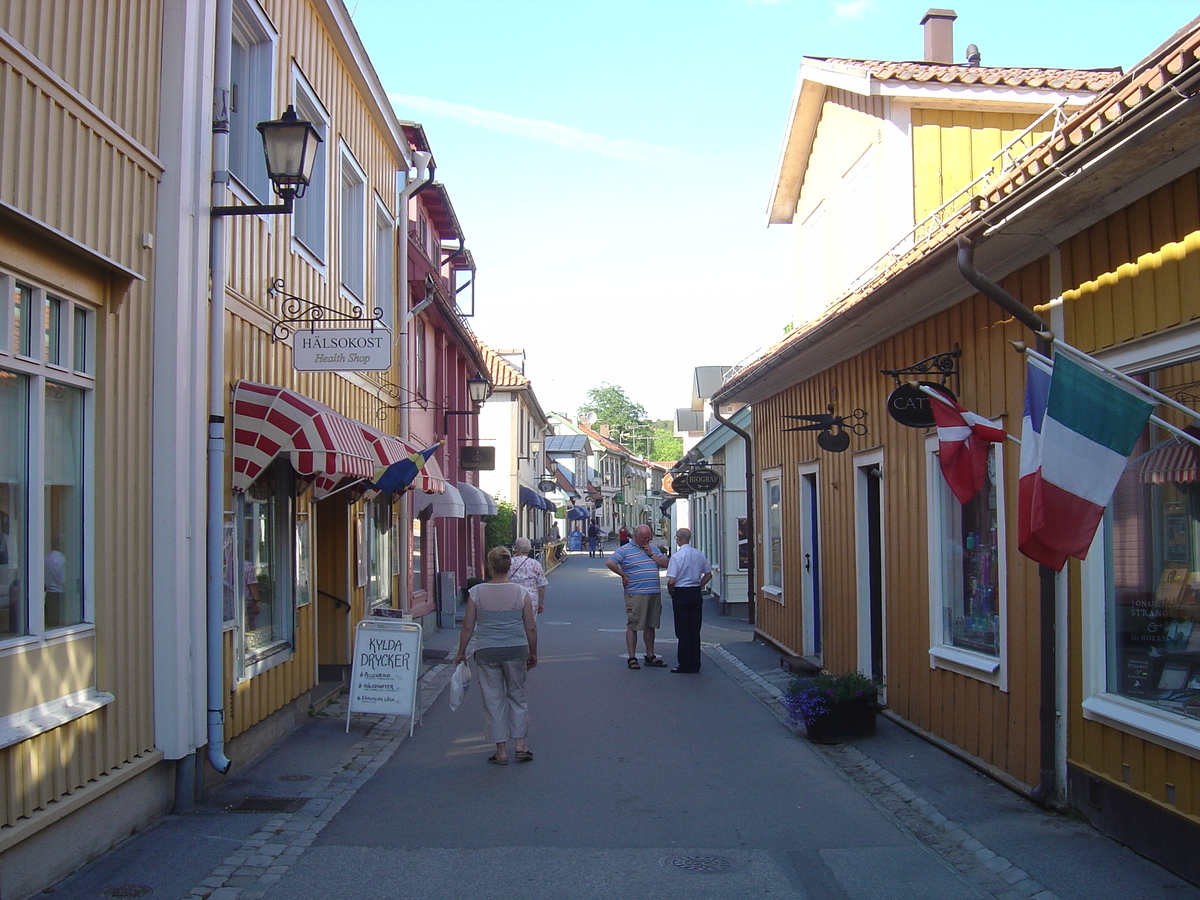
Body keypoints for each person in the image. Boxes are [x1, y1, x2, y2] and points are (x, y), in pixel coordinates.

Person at [454, 546, 538, 765]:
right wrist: (533, 652)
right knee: (517, 695)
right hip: (516, 649)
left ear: (489, 566)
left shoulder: (477, 593)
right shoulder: (521, 592)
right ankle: (520, 744)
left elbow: (467, 627)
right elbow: (530, 627)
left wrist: (461, 652)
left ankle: (500, 750)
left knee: (493, 699)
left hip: (486, 650)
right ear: (509, 566)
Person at [605, 524, 668, 669]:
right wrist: (623, 574)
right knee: (634, 624)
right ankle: (632, 657)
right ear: (636, 536)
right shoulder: (625, 549)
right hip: (636, 592)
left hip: (653, 592)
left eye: (649, 537)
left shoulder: (653, 549)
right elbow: (610, 562)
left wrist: (651, 554)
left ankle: (650, 655)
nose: (647, 540)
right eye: (644, 538)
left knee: (650, 624)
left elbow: (666, 564)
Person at [665, 527, 712, 673]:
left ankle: (684, 663)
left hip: (681, 592)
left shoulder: (677, 557)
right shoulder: (699, 554)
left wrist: (671, 593)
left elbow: (671, 581)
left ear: (679, 538)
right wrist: (699, 585)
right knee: (694, 628)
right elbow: (708, 574)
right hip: (695, 593)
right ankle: (695, 662)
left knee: (682, 629)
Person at [510, 536, 548, 615]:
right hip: (531, 599)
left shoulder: (509, 563)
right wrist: (540, 603)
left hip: (513, 598)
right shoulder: (535, 564)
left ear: (516, 548)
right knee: (530, 624)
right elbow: (542, 586)